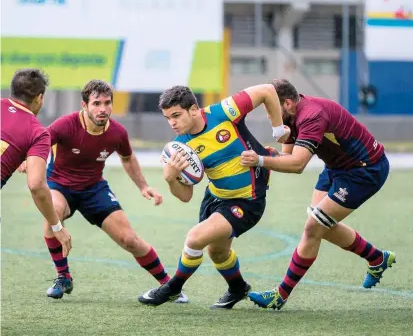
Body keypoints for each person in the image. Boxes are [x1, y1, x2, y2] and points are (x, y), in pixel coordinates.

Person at [21, 79, 187, 302]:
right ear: (84, 105)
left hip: (94, 189)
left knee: (130, 240)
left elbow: (128, 158)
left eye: (107, 103)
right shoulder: (65, 125)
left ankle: (168, 286)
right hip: (59, 185)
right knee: (53, 213)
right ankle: (63, 277)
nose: (102, 109)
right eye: (96, 103)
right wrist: (26, 160)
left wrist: (144, 186)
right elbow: (37, 142)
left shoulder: (117, 133)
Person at [241, 79, 395, 310]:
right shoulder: (290, 117)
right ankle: (376, 258)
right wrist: (268, 153)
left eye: (271, 108)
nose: (268, 115)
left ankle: (280, 295)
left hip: (364, 170)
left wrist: (261, 161)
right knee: (319, 224)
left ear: (288, 103)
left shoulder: (312, 116)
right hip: (337, 167)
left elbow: (297, 165)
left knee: (314, 227)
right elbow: (286, 157)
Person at [138, 84, 290, 308]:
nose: (172, 123)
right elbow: (186, 196)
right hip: (215, 198)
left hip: (247, 200)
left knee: (195, 238)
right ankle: (238, 288)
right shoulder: (179, 147)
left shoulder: (224, 112)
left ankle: (172, 289)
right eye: (168, 118)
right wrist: (171, 178)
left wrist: (278, 129)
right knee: (217, 252)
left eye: (176, 115)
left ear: (193, 109)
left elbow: (268, 90)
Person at [1, 68, 72, 256]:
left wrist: (13, 158)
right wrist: (57, 226)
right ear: (40, 98)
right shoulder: (37, 132)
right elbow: (36, 186)